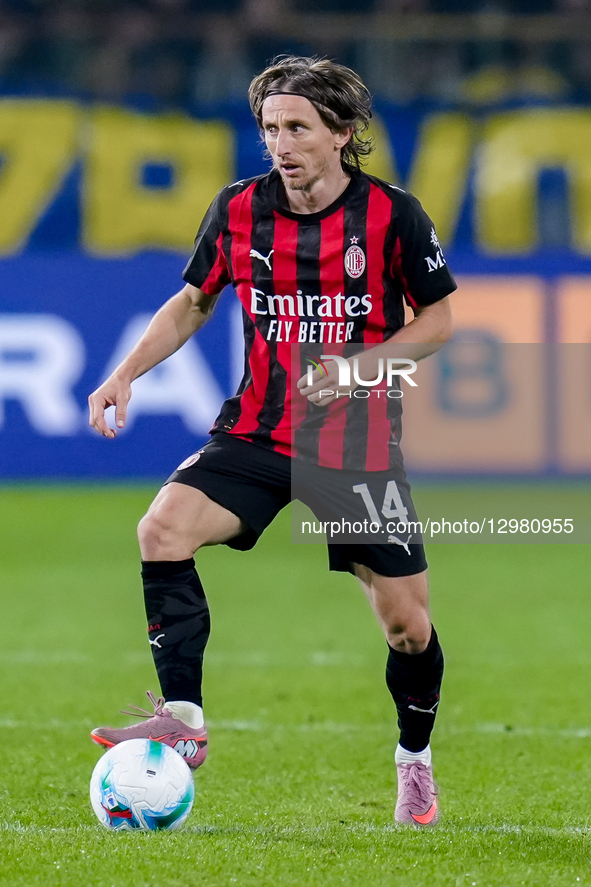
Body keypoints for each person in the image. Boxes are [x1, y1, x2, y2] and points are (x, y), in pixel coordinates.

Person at [88, 55, 456, 827]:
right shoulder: (237, 209)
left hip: (354, 448)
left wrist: (360, 366)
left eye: (296, 127)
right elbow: (192, 301)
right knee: (161, 528)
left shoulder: (392, 214)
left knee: (405, 625)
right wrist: (125, 373)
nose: (280, 143)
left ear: (341, 134)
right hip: (258, 429)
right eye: (269, 128)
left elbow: (437, 320)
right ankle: (183, 717)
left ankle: (413, 759)